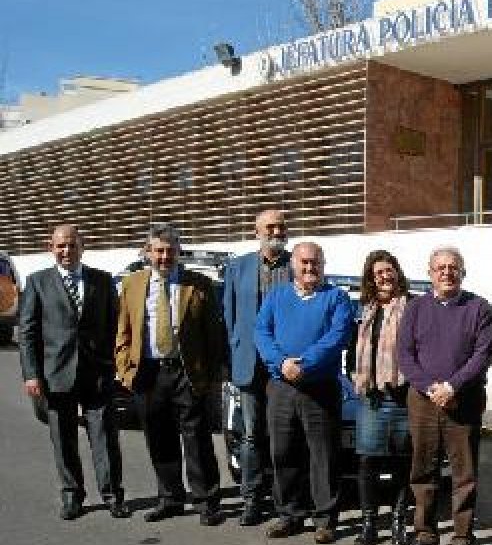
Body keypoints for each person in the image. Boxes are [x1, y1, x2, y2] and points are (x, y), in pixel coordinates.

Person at [115, 223, 227, 525]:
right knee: (159, 436)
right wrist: (125, 368)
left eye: (170, 251)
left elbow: (213, 335)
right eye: (158, 251)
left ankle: (206, 501)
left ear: (179, 252)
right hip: (149, 373)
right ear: (147, 253)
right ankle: (170, 498)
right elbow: (123, 330)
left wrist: (213, 375)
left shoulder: (198, 284)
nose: (164, 257)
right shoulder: (132, 284)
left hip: (188, 372)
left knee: (197, 437)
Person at [19, 224, 128, 520]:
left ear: (82, 246)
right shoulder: (37, 283)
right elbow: (27, 333)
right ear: (51, 248)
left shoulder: (102, 281)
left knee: (105, 436)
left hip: (97, 373)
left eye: (72, 245)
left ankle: (112, 495)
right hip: (56, 374)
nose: (66, 251)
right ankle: (72, 495)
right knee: (63, 438)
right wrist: (31, 374)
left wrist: (116, 365)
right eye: (60, 246)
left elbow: (116, 326)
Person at [397, 246, 492, 545]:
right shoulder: (415, 308)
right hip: (423, 400)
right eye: (440, 268)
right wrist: (430, 387)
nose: (447, 272)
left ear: (463, 273)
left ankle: (462, 538)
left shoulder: (479, 308)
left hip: (462, 399)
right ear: (430, 273)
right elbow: (405, 355)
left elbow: (482, 354)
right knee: (422, 469)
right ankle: (424, 534)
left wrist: (452, 386)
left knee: (463, 472)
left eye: (454, 267)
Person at [255, 241, 354, 544]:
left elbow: (337, 336)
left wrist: (305, 364)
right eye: (304, 262)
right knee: (283, 451)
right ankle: (289, 514)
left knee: (322, 454)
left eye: (316, 263)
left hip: (320, 387)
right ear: (293, 265)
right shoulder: (277, 295)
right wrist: (281, 362)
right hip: (281, 386)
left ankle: (324, 518)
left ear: (324, 265)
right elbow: (262, 332)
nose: (310, 268)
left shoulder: (336, 298)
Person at [222, 209, 292, 526]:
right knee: (251, 435)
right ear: (257, 231)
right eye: (270, 227)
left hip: (285, 366)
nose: (276, 231)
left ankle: (285, 500)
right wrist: (231, 361)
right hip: (249, 365)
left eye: (280, 226)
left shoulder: (297, 265)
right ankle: (251, 499)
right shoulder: (238, 268)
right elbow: (229, 317)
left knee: (284, 435)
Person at [346, 250, 413, 545]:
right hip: (372, 397)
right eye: (378, 273)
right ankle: (369, 523)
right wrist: (356, 376)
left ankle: (399, 522)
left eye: (389, 270)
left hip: (403, 397)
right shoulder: (365, 310)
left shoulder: (413, 308)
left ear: (397, 272)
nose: (385, 276)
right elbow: (351, 349)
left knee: (403, 462)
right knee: (368, 461)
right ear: (371, 280)